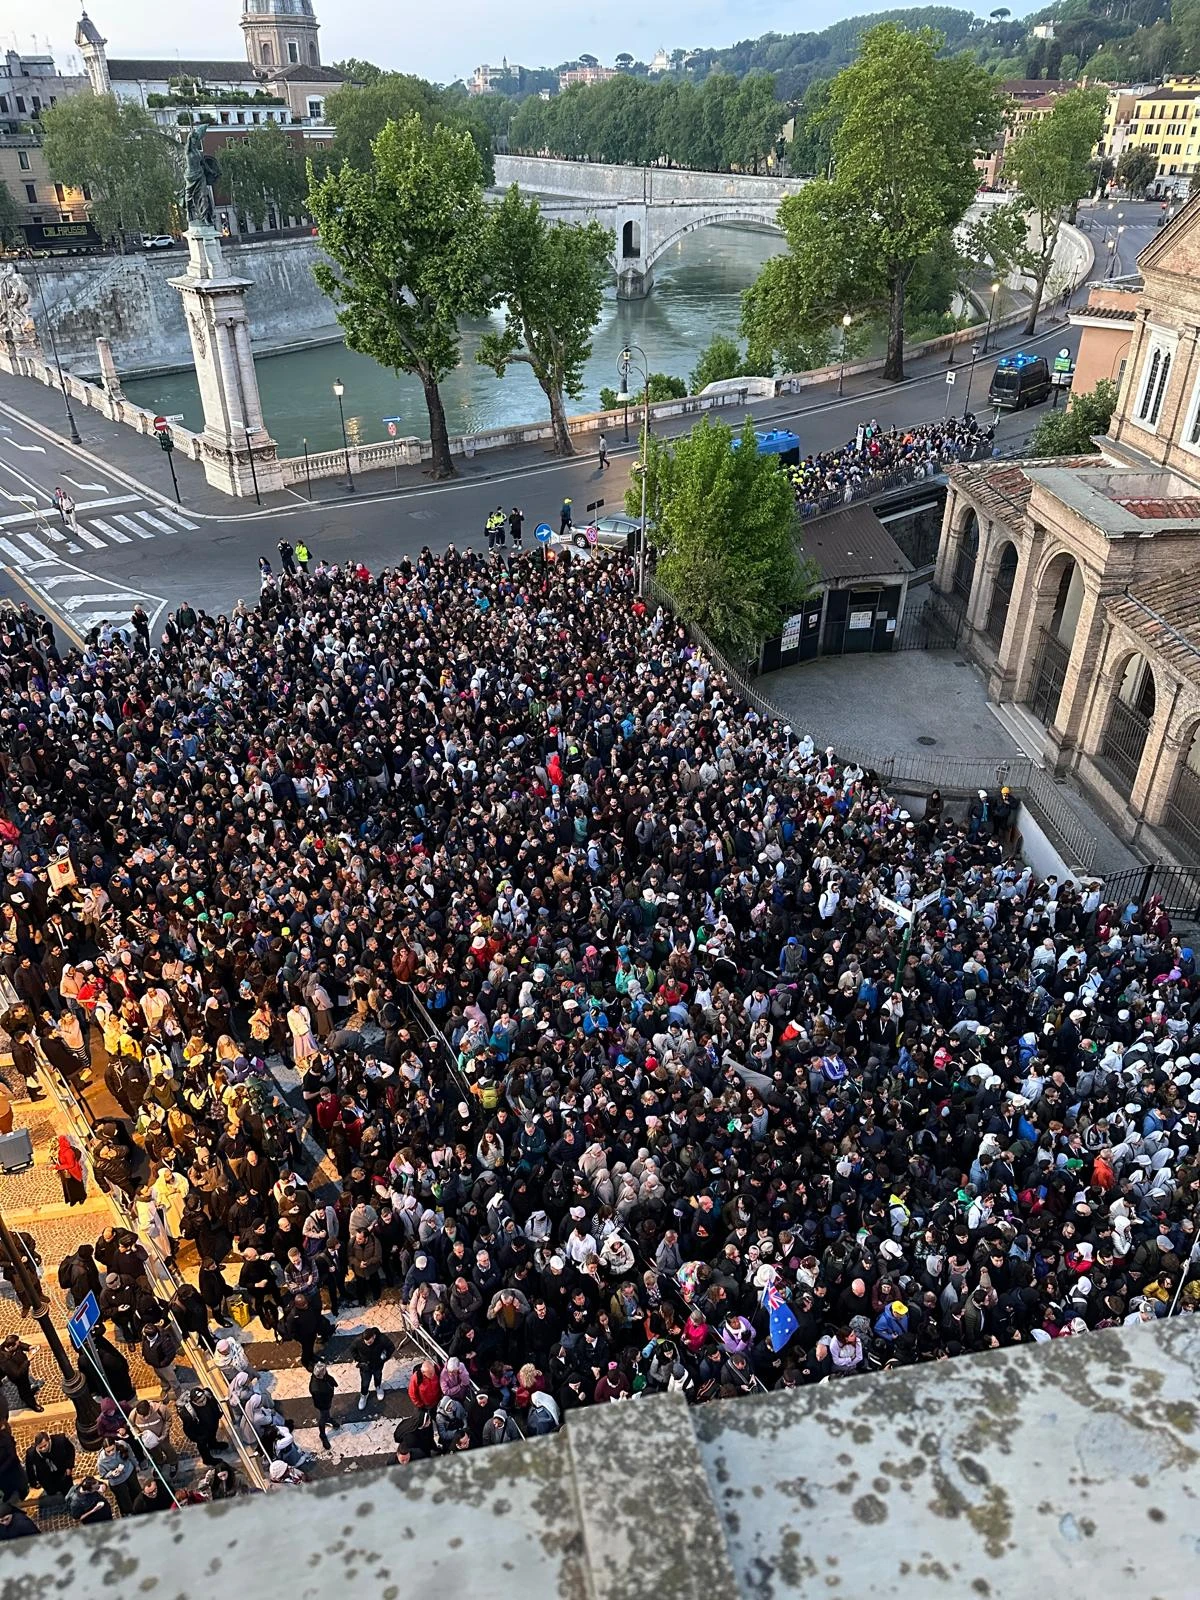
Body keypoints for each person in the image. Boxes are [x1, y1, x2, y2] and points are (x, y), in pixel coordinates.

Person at [349, 1326, 394, 1411]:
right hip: (365, 1366)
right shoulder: (358, 1340)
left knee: (378, 1376)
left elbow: (391, 1347)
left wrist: (384, 1357)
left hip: (377, 1364)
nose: (368, 1344)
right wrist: (359, 1359)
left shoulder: (382, 1339)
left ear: (374, 1336)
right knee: (365, 1382)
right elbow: (352, 1349)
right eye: (366, 1342)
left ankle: (378, 1387)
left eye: (369, 1342)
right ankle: (364, 1394)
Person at [25, 1430, 75, 1498]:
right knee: (52, 1493)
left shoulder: (61, 1441)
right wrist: (33, 1482)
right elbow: (29, 1469)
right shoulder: (31, 1454)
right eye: (40, 1448)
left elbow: (71, 1450)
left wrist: (69, 1466)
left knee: (69, 1492)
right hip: (46, 1478)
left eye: (45, 1445)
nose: (43, 1449)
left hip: (63, 1472)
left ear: (49, 1440)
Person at [0, 1336, 42, 1413]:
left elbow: (20, 1345)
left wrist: (28, 1347)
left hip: (22, 1369)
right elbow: (17, 1374)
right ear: (11, 1347)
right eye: (17, 1344)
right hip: (18, 1377)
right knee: (24, 1390)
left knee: (27, 1384)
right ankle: (32, 1404)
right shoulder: (4, 1360)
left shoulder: (7, 1345)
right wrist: (28, 1360)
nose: (19, 1344)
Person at [309, 1360, 338, 1450]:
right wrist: (325, 1405)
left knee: (326, 1414)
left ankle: (328, 1418)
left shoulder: (321, 1375)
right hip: (323, 1404)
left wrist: (333, 1382)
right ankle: (322, 1435)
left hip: (327, 1400)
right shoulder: (316, 1388)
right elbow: (318, 1400)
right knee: (323, 1417)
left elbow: (327, 1377)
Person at [53, 1134, 87, 1206]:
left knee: (77, 1186)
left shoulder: (68, 1152)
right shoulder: (61, 1150)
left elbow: (71, 1164)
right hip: (67, 1172)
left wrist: (58, 1167)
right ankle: (72, 1199)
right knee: (70, 1187)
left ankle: (81, 1198)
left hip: (73, 1172)